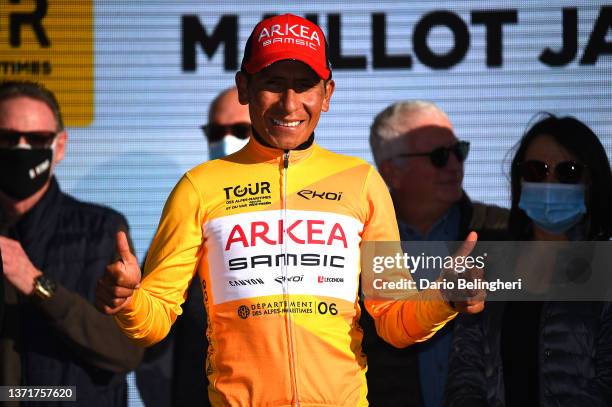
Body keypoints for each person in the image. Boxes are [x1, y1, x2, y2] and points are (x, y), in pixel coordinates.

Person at [96, 14, 484, 406]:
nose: (289, 103)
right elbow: (155, 318)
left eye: (305, 85)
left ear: (327, 93)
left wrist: (442, 298)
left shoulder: (361, 182)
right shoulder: (199, 187)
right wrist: (129, 302)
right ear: (244, 87)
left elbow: (395, 320)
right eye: (273, 84)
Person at [445, 114, 612, 406]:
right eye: (536, 170)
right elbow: (465, 376)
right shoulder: (488, 267)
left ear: (591, 182)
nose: (549, 182)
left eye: (568, 172)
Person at [0, 80, 143, 406]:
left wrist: (37, 284)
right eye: (7, 138)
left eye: (36, 139)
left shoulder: (102, 230)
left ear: (59, 146)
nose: (21, 149)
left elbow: (126, 350)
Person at [366, 101, 508, 407]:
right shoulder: (355, 242)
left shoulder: (502, 231)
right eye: (439, 156)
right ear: (391, 171)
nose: (455, 165)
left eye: (459, 151)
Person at [136, 86, 250, 407]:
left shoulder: (311, 216)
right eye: (216, 131)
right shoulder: (186, 216)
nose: (226, 141)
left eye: (241, 130)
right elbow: (155, 350)